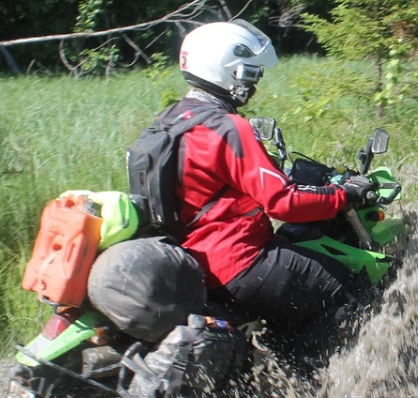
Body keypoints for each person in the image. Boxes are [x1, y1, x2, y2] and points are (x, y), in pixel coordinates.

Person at [148, 19, 375, 350]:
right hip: (238, 261)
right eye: (250, 73)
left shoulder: (170, 122)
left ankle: (279, 372)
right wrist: (344, 194)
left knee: (296, 297)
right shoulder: (226, 127)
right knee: (350, 293)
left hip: (193, 268)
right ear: (227, 71)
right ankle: (323, 387)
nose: (254, 84)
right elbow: (284, 203)